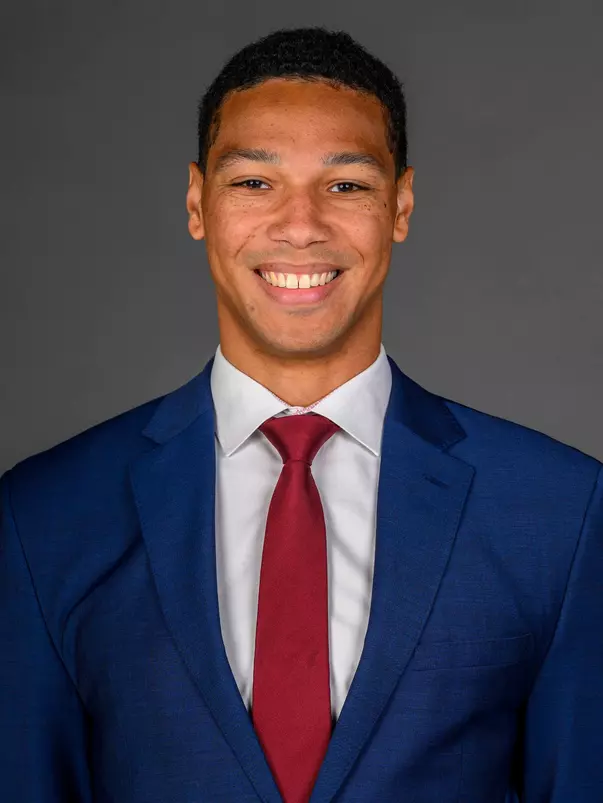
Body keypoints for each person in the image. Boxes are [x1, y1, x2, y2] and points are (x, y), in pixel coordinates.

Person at [1, 25, 601, 803]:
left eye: (345, 184)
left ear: (401, 205)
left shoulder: (559, 511)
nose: (299, 225)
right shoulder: (44, 515)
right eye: (254, 182)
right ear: (196, 203)